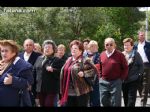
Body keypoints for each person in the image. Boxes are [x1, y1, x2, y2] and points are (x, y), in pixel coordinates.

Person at [59, 40, 98, 107]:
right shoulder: (68, 60)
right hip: (68, 91)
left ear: (80, 50)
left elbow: (94, 71)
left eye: (75, 48)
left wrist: (84, 74)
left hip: (81, 92)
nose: (73, 50)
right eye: (72, 48)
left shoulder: (85, 60)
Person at [0, 40, 34, 106]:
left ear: (13, 52)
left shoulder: (22, 65)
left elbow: (29, 82)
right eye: (2, 51)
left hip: (12, 102)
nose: (4, 53)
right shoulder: (1, 63)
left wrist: (13, 80)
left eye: (6, 51)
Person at [34, 40, 64, 107]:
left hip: (51, 89)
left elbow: (61, 73)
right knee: (42, 105)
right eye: (45, 47)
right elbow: (34, 71)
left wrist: (53, 70)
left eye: (49, 47)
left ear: (53, 49)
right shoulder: (39, 58)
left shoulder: (57, 60)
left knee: (48, 104)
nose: (47, 49)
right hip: (40, 88)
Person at [99, 37, 128, 107]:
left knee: (116, 102)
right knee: (103, 100)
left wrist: (121, 79)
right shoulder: (102, 54)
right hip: (103, 82)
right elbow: (100, 67)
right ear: (104, 45)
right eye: (107, 44)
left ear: (115, 45)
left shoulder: (120, 55)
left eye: (111, 44)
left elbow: (125, 68)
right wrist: (100, 77)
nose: (109, 46)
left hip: (116, 82)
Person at [19, 38, 41, 106]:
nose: (28, 46)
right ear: (24, 46)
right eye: (27, 45)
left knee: (30, 103)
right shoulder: (18, 56)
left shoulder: (39, 56)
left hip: (33, 85)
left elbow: (38, 72)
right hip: (19, 84)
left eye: (30, 45)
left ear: (33, 46)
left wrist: (31, 83)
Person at [122, 38, 144, 107]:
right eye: (125, 45)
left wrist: (139, 75)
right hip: (123, 81)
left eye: (128, 45)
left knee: (131, 99)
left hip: (133, 80)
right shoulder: (121, 55)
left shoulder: (136, 54)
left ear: (132, 46)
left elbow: (141, 66)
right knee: (125, 99)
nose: (126, 47)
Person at [134, 31, 150, 106]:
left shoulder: (148, 45)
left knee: (145, 84)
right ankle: (142, 96)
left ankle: (143, 102)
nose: (142, 37)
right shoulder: (135, 45)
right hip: (137, 66)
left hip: (146, 65)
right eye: (140, 35)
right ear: (138, 36)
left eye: (143, 35)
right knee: (138, 83)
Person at [86, 40, 100, 107]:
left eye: (95, 46)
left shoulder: (99, 56)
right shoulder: (84, 55)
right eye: (91, 46)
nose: (93, 48)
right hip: (85, 81)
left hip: (95, 81)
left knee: (95, 100)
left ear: (97, 47)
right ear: (89, 47)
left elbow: (97, 67)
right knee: (87, 101)